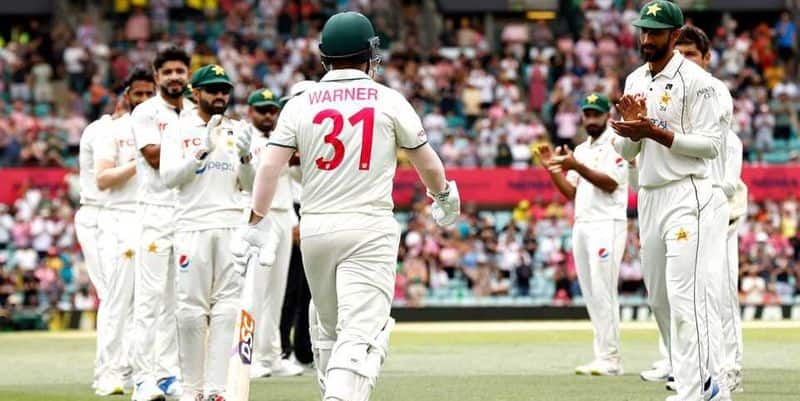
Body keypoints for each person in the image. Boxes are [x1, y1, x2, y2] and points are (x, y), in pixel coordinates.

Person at [232, 11, 460, 401]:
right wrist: (444, 198)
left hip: (316, 230)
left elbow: (270, 167)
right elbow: (427, 163)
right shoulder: (388, 99)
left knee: (327, 330)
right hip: (368, 227)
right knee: (361, 334)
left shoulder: (300, 103)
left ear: (324, 58)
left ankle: (334, 390)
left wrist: (254, 223)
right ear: (371, 55)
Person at [610, 2, 723, 400]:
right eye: (643, 31)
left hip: (686, 192)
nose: (646, 39)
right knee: (658, 300)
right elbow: (627, 149)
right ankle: (706, 381)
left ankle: (693, 390)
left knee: (683, 296)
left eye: (655, 32)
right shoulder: (634, 79)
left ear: (675, 35)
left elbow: (710, 147)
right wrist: (632, 131)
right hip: (650, 197)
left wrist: (653, 131)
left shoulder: (698, 82)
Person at [160, 64, 255, 401]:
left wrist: (246, 156)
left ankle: (217, 390)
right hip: (192, 226)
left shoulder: (239, 130)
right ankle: (191, 390)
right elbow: (168, 178)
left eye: (224, 89)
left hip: (230, 226)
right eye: (212, 89)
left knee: (227, 309)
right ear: (194, 93)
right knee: (190, 311)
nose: (219, 96)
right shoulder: (177, 130)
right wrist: (198, 152)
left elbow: (251, 186)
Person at [538, 93, 628, 376]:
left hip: (608, 223)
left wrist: (576, 166)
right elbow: (572, 193)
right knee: (591, 292)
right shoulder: (581, 150)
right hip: (583, 223)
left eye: (596, 114)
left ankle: (612, 359)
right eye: (587, 114)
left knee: (604, 290)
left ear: (607, 116)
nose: (591, 119)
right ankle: (602, 355)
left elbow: (611, 184)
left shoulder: (617, 145)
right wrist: (553, 171)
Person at [130, 46, 193, 401]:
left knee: (178, 300)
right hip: (155, 213)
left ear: (187, 75)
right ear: (156, 76)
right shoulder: (146, 112)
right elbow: (154, 159)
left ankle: (169, 376)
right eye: (167, 71)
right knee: (150, 299)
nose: (173, 77)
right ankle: (143, 379)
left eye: (179, 71)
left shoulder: (194, 114)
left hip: (185, 215)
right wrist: (198, 153)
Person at [92, 68, 156, 396]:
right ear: (127, 95)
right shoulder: (113, 130)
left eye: (149, 93)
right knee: (117, 299)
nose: (144, 100)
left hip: (154, 219)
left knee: (148, 303)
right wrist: (139, 163)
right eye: (138, 94)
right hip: (119, 219)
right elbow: (102, 178)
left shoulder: (165, 128)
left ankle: (136, 370)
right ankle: (107, 372)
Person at [244, 88, 304, 378]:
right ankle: (251, 357)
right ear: (250, 112)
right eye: (261, 110)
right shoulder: (247, 140)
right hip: (260, 218)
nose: (268, 115)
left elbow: (289, 185)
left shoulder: (281, 139)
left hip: (282, 216)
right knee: (256, 290)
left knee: (277, 291)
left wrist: (293, 219)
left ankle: (272, 355)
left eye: (271, 110)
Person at [279, 81, 317, 369]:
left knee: (309, 290)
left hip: (313, 210)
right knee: (288, 288)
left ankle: (304, 350)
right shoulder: (283, 134)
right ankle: (282, 347)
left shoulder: (321, 134)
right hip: (288, 213)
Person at [74, 113, 111, 394]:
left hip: (133, 215)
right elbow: (103, 179)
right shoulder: (103, 129)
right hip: (100, 214)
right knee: (113, 295)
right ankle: (107, 370)